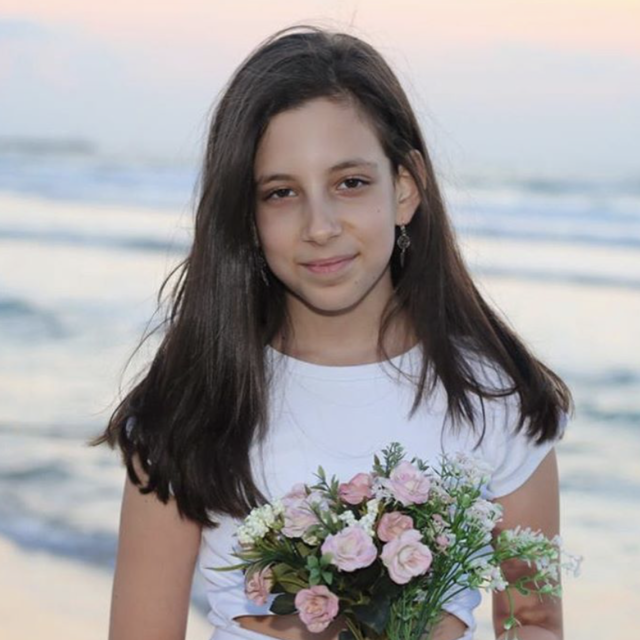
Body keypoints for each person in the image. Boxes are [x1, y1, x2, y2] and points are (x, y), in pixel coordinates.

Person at [90, 23, 574, 640]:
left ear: (405, 188)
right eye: (281, 192)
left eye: (350, 183)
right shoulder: (192, 408)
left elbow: (533, 621)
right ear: (247, 216)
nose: (319, 226)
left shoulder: (494, 398)